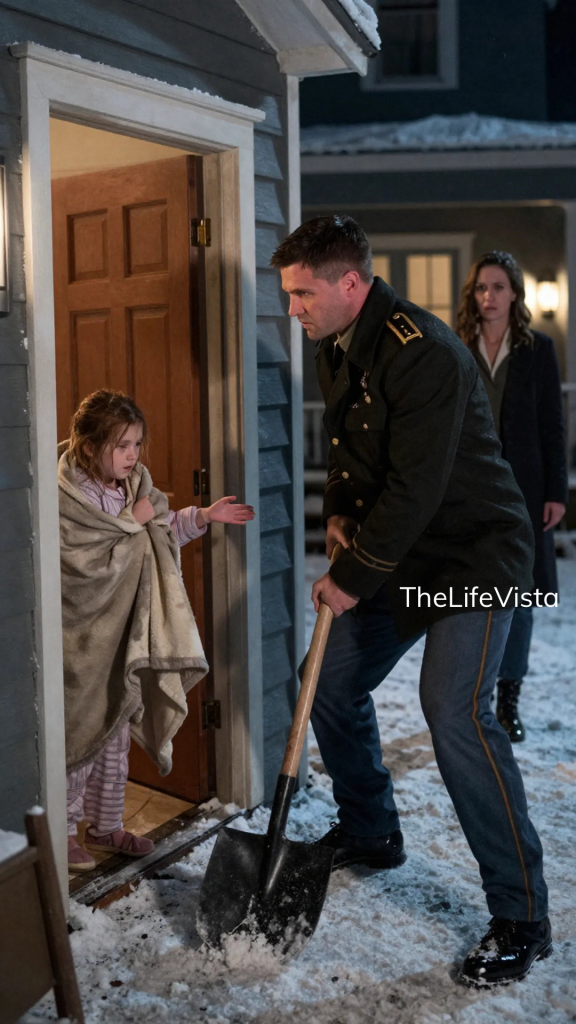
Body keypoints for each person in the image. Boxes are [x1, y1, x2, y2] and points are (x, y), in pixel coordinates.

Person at [271, 216, 551, 987]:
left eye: (302, 293)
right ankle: (371, 828)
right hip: (403, 552)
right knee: (328, 682)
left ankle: (523, 915)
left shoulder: (422, 350)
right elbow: (349, 455)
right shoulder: (336, 346)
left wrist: (352, 575)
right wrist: (338, 510)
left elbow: (416, 486)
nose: (292, 308)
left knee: (454, 712)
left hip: (473, 554)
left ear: (349, 283)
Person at [60, 390, 254, 872]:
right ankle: (61, 833)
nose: (133, 455)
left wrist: (203, 517)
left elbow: (158, 536)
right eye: (121, 445)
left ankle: (105, 827)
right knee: (81, 737)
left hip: (128, 636)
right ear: (89, 446)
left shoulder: (133, 486)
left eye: (137, 444)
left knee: (115, 740)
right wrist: (132, 521)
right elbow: (80, 564)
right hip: (86, 640)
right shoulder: (69, 497)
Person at [457, 251, 568, 741]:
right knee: (471, 594)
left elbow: (553, 425)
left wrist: (556, 492)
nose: (489, 296)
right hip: (471, 491)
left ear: (514, 294)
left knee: (519, 596)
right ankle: (472, 697)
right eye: (482, 288)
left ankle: (508, 702)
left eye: (499, 287)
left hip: (524, 492)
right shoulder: (458, 346)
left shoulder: (537, 349)